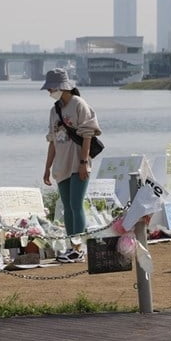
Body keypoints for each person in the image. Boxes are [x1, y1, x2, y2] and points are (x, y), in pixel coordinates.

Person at [41, 68, 102, 262]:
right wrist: (47, 168)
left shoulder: (79, 104)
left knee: (76, 205)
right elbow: (52, 141)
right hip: (61, 164)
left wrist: (84, 162)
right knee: (67, 207)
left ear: (61, 87)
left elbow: (87, 135)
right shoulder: (54, 110)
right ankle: (70, 246)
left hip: (78, 162)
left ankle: (79, 247)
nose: (49, 91)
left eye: (51, 87)